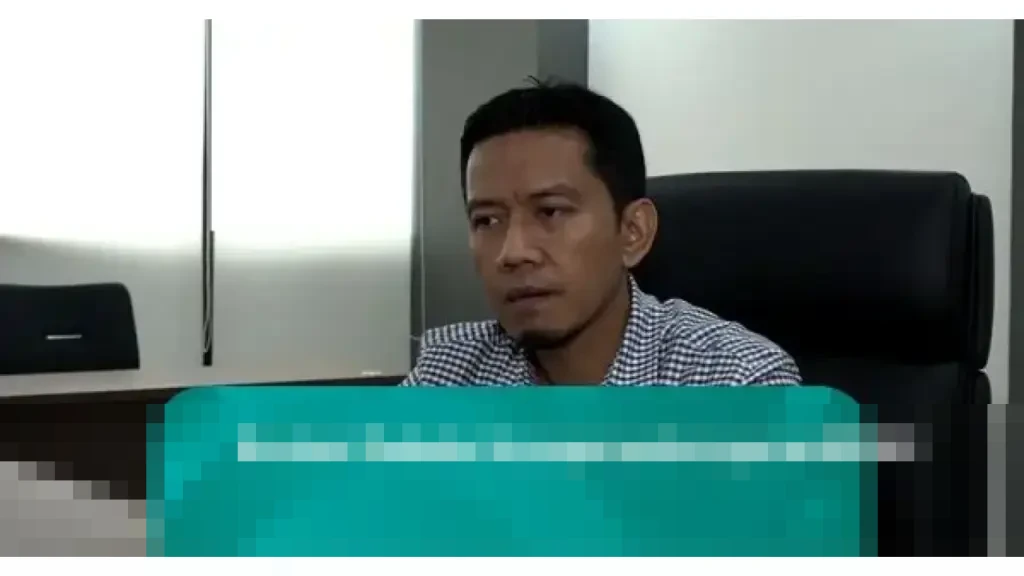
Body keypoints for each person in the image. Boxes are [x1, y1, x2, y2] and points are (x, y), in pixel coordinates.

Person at [402, 79, 801, 387]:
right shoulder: (447, 375)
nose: (514, 252)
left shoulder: (737, 384)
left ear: (633, 232)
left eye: (551, 211)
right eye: (487, 220)